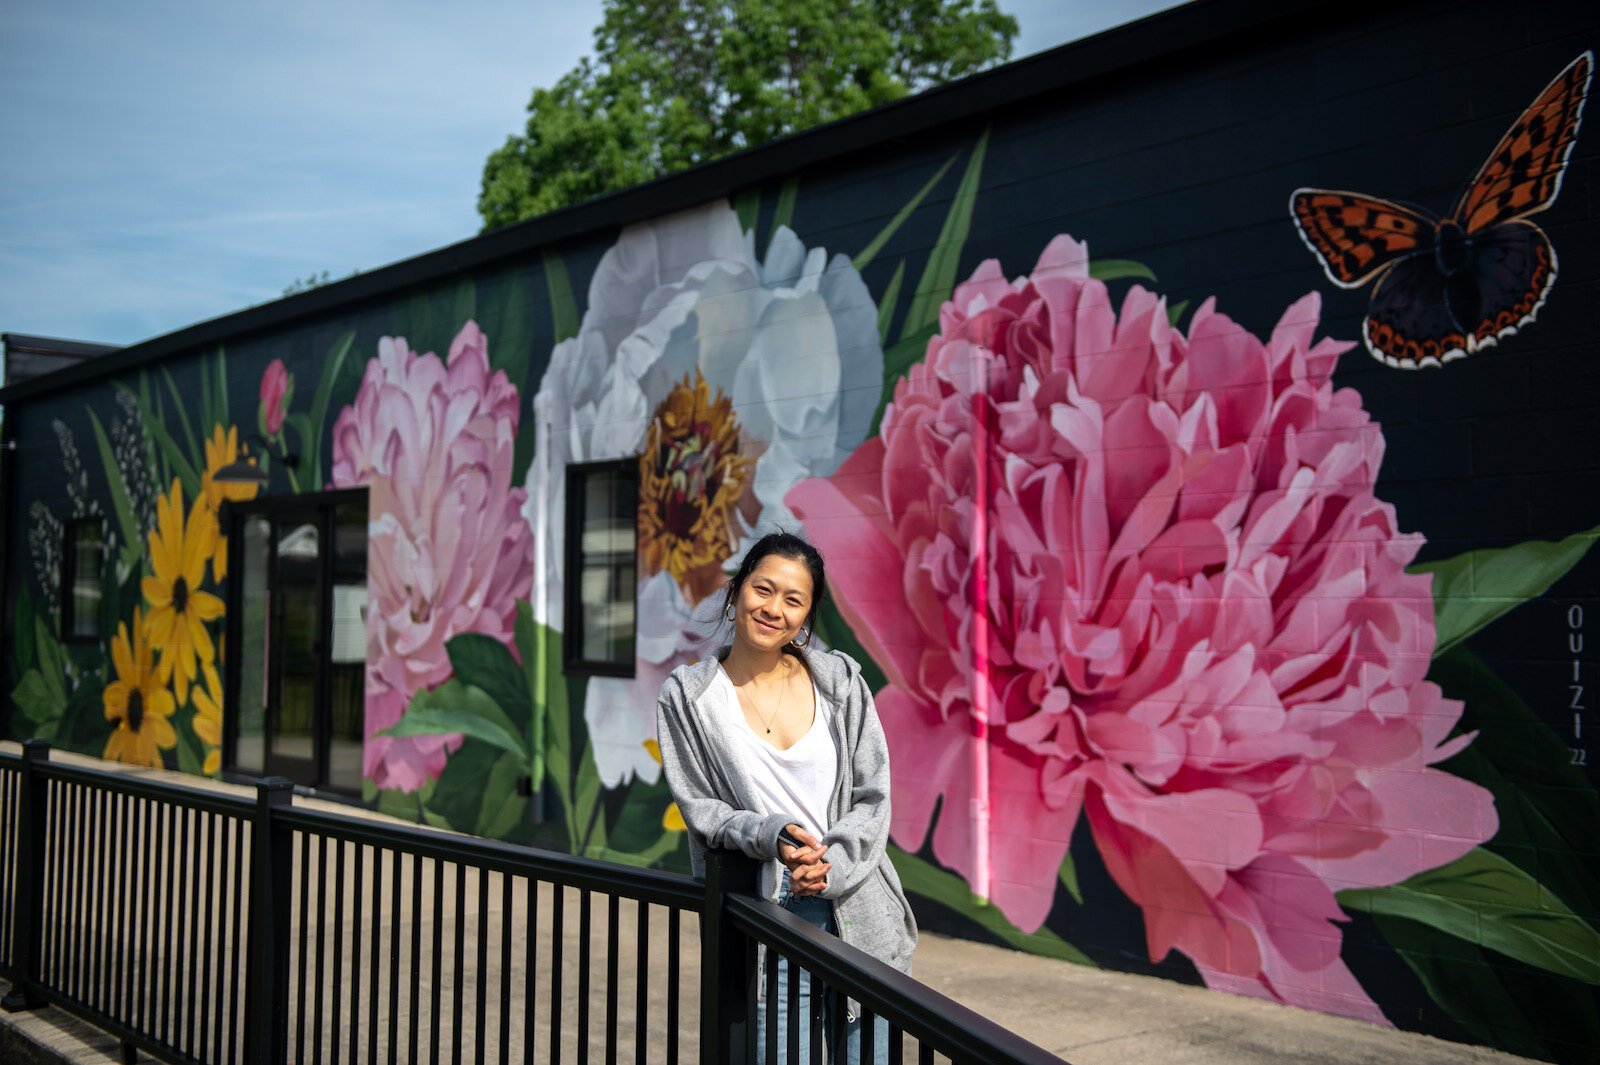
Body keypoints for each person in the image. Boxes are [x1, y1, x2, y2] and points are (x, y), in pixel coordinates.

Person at [655, 531, 917, 1064]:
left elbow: (873, 795)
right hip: (768, 918)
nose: (774, 608)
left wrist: (832, 865)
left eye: (793, 600)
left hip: (858, 911)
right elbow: (702, 809)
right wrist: (770, 835)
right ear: (736, 593)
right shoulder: (689, 697)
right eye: (763, 589)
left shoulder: (840, 681)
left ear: (806, 615)